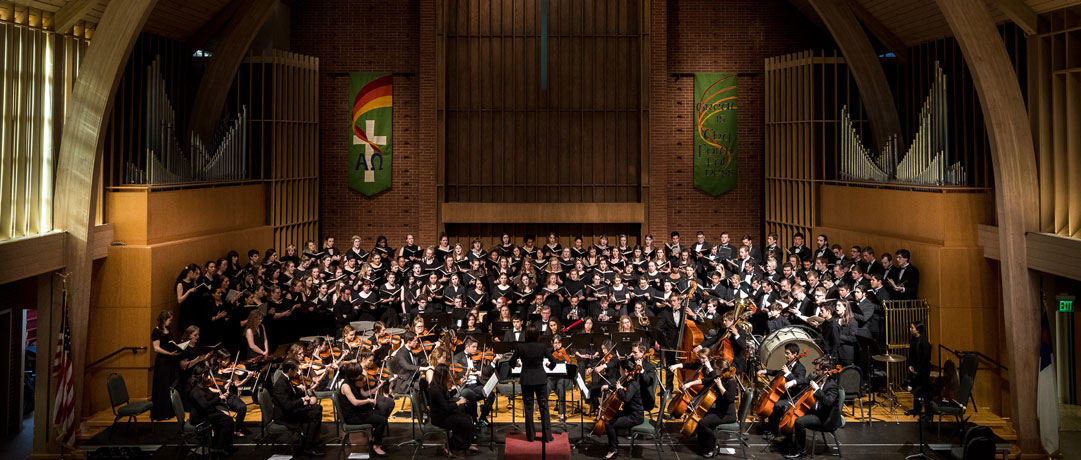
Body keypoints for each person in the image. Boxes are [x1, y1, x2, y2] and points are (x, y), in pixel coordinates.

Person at [508, 324, 558, 442]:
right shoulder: (542, 347)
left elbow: (510, 362)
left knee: (528, 408)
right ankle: (547, 436)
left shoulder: (521, 347)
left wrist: (517, 365)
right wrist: (549, 367)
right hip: (540, 379)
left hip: (526, 380)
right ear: (537, 335)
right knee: (544, 407)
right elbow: (554, 362)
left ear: (526, 335)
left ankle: (530, 436)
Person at [783, 357, 841, 458]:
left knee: (798, 421)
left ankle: (801, 451)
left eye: (817, 370)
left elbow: (828, 402)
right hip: (816, 411)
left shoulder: (832, 386)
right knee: (790, 413)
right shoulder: (818, 378)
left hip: (825, 417)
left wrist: (817, 389)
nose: (814, 371)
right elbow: (805, 380)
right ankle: (790, 444)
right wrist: (793, 382)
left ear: (825, 371)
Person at [272, 358, 325, 456]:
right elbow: (287, 405)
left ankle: (312, 440)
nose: (298, 372)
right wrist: (303, 400)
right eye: (296, 369)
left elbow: (292, 393)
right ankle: (308, 446)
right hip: (285, 416)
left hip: (290, 411)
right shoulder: (280, 384)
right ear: (290, 370)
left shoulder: (286, 379)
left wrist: (305, 389)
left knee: (318, 408)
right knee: (315, 413)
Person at [690, 358, 738, 458]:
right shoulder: (719, 377)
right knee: (701, 415)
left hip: (727, 414)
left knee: (703, 423)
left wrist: (720, 386)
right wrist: (689, 384)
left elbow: (730, 398)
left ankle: (711, 448)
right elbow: (705, 380)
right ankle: (703, 443)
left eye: (715, 368)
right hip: (720, 411)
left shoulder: (731, 381)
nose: (714, 370)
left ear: (721, 369)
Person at [427, 364, 479, 455]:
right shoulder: (435, 389)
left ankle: (466, 444)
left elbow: (447, 397)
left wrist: (459, 385)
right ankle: (449, 445)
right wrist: (458, 403)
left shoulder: (438, 385)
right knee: (464, 423)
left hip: (443, 414)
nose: (449, 376)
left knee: (466, 417)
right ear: (443, 375)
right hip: (439, 418)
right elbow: (446, 407)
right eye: (448, 374)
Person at [339, 362, 389, 457]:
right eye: (359, 374)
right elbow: (355, 402)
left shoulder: (354, 382)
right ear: (353, 375)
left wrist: (378, 387)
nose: (361, 375)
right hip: (351, 417)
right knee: (381, 420)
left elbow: (364, 394)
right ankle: (376, 445)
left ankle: (374, 440)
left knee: (382, 413)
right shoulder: (345, 386)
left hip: (358, 412)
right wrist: (368, 401)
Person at [187, 365, 237, 455]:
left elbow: (209, 398)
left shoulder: (201, 386)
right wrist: (219, 398)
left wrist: (221, 394)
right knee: (227, 421)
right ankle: (218, 448)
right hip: (200, 417)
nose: (209, 377)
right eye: (207, 375)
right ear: (202, 375)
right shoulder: (197, 391)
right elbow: (205, 405)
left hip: (207, 413)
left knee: (225, 418)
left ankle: (218, 445)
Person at [601, 358, 644, 459]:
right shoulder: (627, 379)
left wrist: (620, 389)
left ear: (625, 371)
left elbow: (626, 398)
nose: (619, 371)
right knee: (609, 416)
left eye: (620, 369)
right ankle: (614, 445)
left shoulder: (633, 383)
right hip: (628, 412)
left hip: (635, 416)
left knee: (609, 424)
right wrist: (608, 386)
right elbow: (618, 384)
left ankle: (613, 449)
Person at [150, 311, 181, 420]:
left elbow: (170, 342)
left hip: (170, 361)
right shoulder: (156, 331)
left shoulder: (168, 330)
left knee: (169, 384)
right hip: (162, 362)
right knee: (162, 385)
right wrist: (169, 353)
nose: (171, 321)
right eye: (170, 319)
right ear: (164, 319)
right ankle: (162, 412)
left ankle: (170, 410)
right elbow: (156, 348)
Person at [905, 321, 932, 416]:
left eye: (912, 328)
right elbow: (911, 355)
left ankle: (928, 413)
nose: (910, 329)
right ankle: (917, 410)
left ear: (918, 330)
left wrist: (916, 368)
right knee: (916, 391)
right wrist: (910, 365)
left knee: (925, 391)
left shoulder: (924, 342)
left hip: (923, 370)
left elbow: (925, 358)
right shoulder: (914, 340)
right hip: (915, 369)